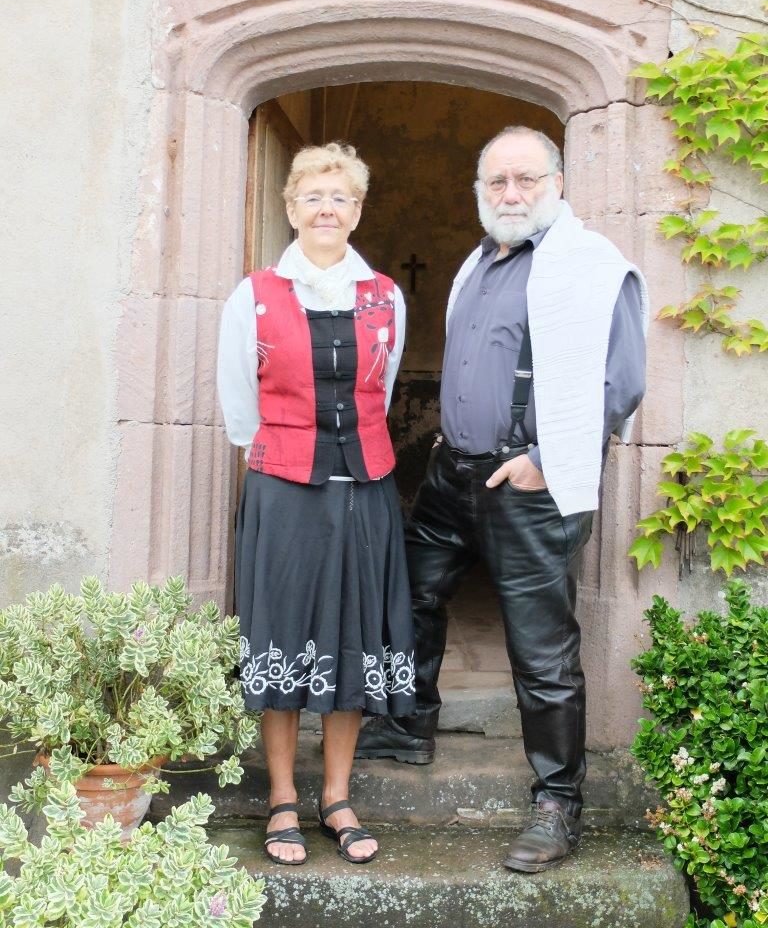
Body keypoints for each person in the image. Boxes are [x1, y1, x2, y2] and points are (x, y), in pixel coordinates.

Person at [355, 126, 648, 873]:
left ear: (558, 182)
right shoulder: (478, 262)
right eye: (497, 183)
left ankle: (558, 803)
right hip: (453, 474)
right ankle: (410, 724)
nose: (511, 194)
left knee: (542, 652)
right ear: (480, 192)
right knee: (413, 594)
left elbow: (623, 382)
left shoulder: (591, 267)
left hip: (528, 483)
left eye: (527, 180)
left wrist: (545, 462)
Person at [217, 142, 415, 867]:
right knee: (284, 635)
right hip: (284, 491)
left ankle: (336, 796)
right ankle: (279, 799)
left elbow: (381, 391)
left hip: (365, 489)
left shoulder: (384, 295)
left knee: (353, 637)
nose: (326, 209)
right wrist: (285, 454)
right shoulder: (257, 293)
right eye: (313, 196)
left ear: (357, 211)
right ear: (291, 207)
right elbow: (241, 405)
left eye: (340, 197)